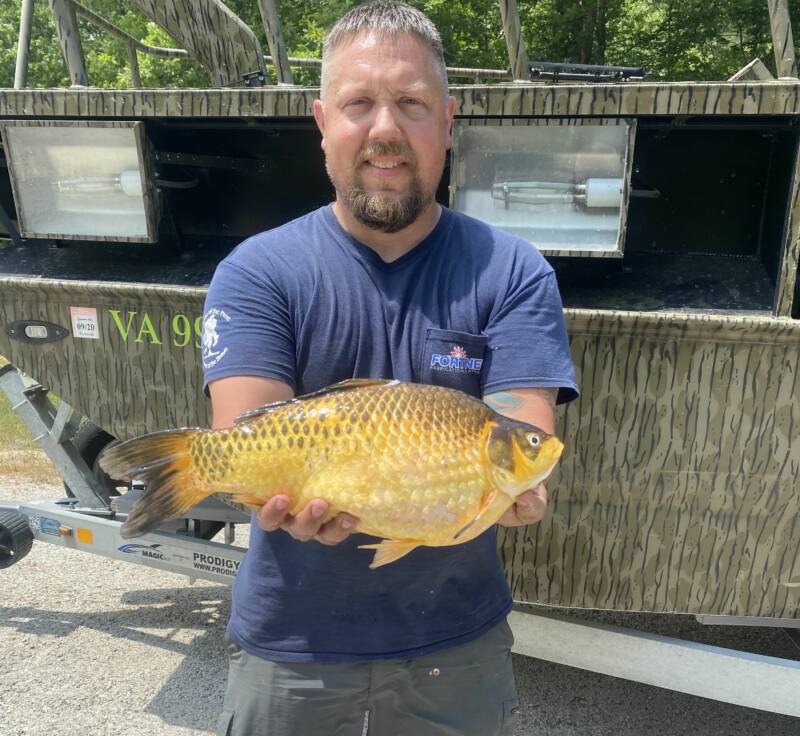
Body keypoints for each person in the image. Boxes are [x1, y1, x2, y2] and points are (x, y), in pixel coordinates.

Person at [202, 2, 578, 734]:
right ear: (321, 122)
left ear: (448, 119)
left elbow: (523, 427)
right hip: (293, 644)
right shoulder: (257, 270)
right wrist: (262, 490)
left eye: (411, 103)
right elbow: (243, 433)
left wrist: (525, 487)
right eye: (358, 104)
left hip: (457, 645)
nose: (384, 129)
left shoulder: (512, 269)